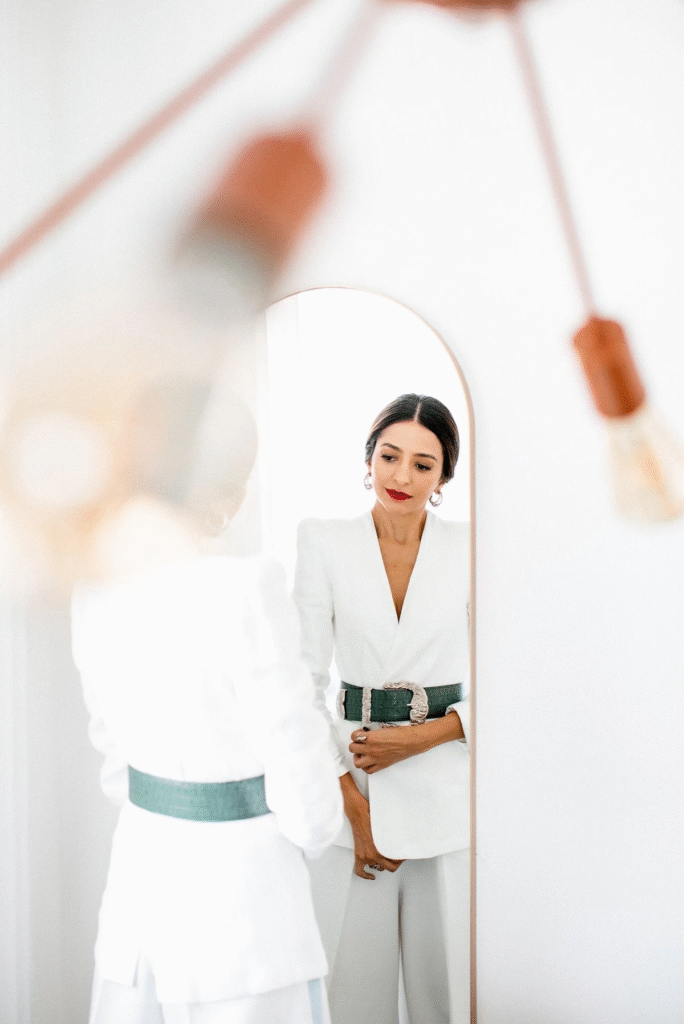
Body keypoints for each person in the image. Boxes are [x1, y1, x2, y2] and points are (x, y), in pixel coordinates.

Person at [71, 379, 343, 1024]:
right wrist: (314, 828)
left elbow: (112, 752)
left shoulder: (94, 579)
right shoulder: (246, 586)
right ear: (225, 486)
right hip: (244, 915)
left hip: (138, 896)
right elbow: (299, 765)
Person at [293, 393, 470, 1024]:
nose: (402, 476)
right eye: (390, 456)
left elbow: (512, 680)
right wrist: (350, 802)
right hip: (351, 781)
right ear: (368, 460)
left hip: (448, 783)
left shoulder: (473, 548)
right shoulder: (323, 542)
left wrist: (421, 738)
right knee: (351, 991)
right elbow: (301, 682)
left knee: (446, 987)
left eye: (424, 465)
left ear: (444, 477)